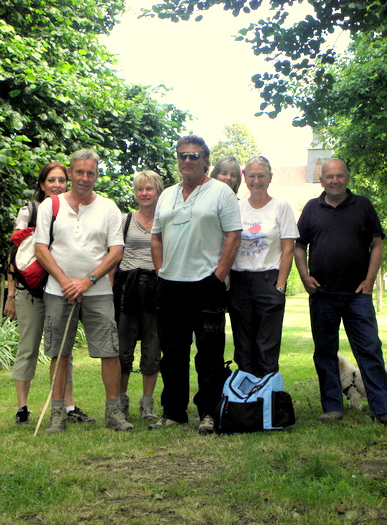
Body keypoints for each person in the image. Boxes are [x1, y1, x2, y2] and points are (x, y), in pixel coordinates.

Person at [294, 158, 387, 426]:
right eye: (329, 177)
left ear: (347, 177)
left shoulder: (364, 206)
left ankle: (383, 409)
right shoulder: (312, 208)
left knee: (369, 349)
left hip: (358, 295)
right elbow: (299, 246)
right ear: (321, 181)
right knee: (325, 352)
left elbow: (377, 244)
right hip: (322, 294)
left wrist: (370, 280)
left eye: (339, 175)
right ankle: (332, 407)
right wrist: (304, 275)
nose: (334, 180)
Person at [34, 148, 132, 433]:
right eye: (79, 172)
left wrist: (86, 281)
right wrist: (66, 282)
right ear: (70, 172)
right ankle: (57, 415)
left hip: (98, 290)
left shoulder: (109, 208)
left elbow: (116, 252)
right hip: (58, 290)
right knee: (59, 353)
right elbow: (41, 249)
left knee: (109, 352)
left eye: (91, 173)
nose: (85, 178)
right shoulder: (50, 206)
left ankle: (114, 413)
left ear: (96, 175)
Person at [150, 135, 242, 434]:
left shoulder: (221, 193)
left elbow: (233, 235)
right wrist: (161, 270)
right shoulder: (166, 195)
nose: (187, 161)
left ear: (206, 160)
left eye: (193, 156)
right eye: (182, 155)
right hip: (170, 285)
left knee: (210, 355)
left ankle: (209, 413)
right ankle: (174, 412)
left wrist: (218, 275)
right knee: (172, 354)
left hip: (206, 284)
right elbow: (156, 236)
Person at [4, 162, 93, 427]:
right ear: (42, 184)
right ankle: (23, 408)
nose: (57, 185)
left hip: (60, 289)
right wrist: (10, 296)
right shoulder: (29, 211)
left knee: (64, 351)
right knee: (28, 347)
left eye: (62, 180)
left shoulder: (73, 209)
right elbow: (14, 255)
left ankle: (68, 406)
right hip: (30, 292)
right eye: (51, 180)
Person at [227, 155, 298, 377]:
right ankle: (247, 404)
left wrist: (280, 284)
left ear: (270, 178)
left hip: (269, 280)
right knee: (244, 346)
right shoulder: (236, 209)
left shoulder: (280, 207)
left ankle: (267, 399)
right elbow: (228, 244)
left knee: (266, 345)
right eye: (252, 176)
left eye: (261, 176)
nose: (256, 181)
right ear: (244, 178)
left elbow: (288, 249)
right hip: (240, 280)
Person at [115, 170, 163, 421]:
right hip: (129, 288)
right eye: (139, 189)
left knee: (152, 349)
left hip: (156, 287)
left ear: (158, 191)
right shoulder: (125, 221)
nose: (144, 193)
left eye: (149, 189)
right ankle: (121, 402)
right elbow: (114, 256)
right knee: (123, 349)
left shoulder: (166, 220)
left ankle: (147, 405)